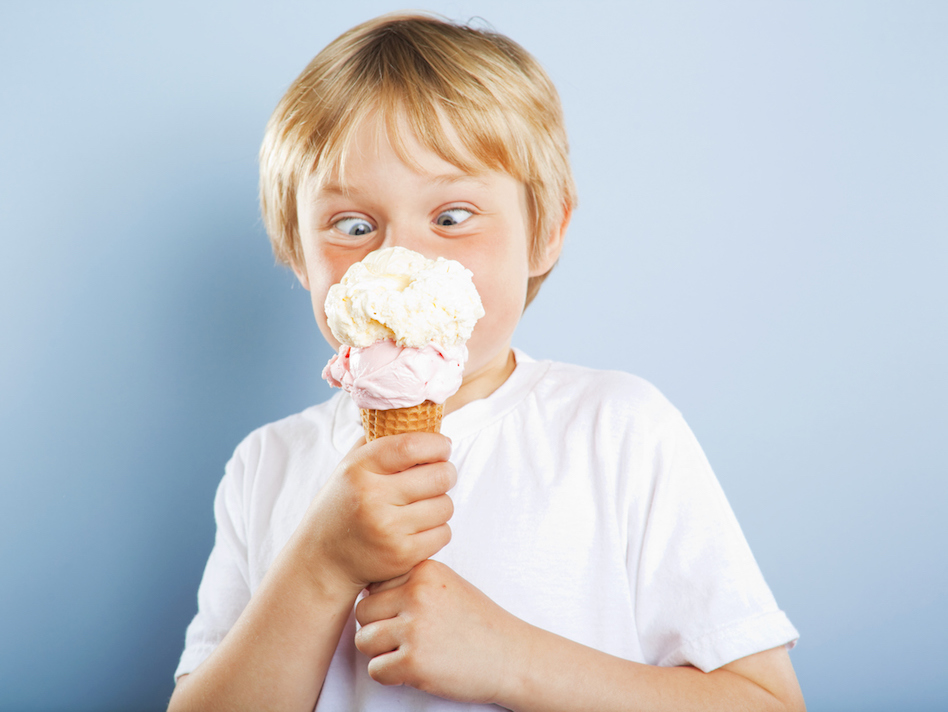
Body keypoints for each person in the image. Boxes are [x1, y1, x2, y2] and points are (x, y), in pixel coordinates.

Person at [167, 12, 804, 712]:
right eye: (353, 226)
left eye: (452, 216)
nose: (399, 260)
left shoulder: (620, 430)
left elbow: (768, 703)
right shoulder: (266, 466)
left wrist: (511, 658)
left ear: (547, 230)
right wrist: (321, 564)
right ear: (297, 254)